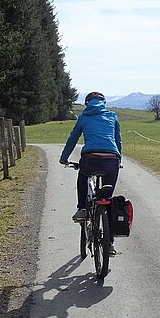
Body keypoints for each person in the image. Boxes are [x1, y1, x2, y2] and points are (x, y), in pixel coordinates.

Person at [60, 92, 122, 253]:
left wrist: (64, 158)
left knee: (83, 176)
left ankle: (82, 208)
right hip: (111, 159)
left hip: (90, 157)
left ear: (87, 103)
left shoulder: (83, 117)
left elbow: (72, 139)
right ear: (104, 103)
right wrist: (118, 160)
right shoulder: (112, 116)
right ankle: (109, 244)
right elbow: (117, 140)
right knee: (107, 200)